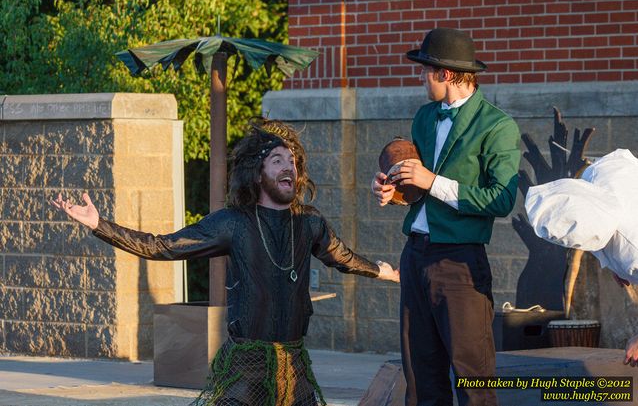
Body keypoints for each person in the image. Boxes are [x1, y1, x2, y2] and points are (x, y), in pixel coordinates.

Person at [52, 119, 400, 406]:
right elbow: (164, 247)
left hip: (292, 367)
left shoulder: (309, 223)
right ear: (257, 173)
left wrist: (385, 271)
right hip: (245, 368)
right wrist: (101, 225)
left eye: (292, 161)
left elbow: (342, 257)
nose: (288, 167)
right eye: (277, 160)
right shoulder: (233, 222)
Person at [371, 28, 520, 406]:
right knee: (420, 378)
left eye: (426, 71)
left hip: (460, 265)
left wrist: (433, 181)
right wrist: (395, 191)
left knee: (473, 380)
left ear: (446, 74)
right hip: (415, 256)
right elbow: (417, 188)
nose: (421, 78)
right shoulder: (424, 118)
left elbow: (501, 199)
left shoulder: (497, 126)